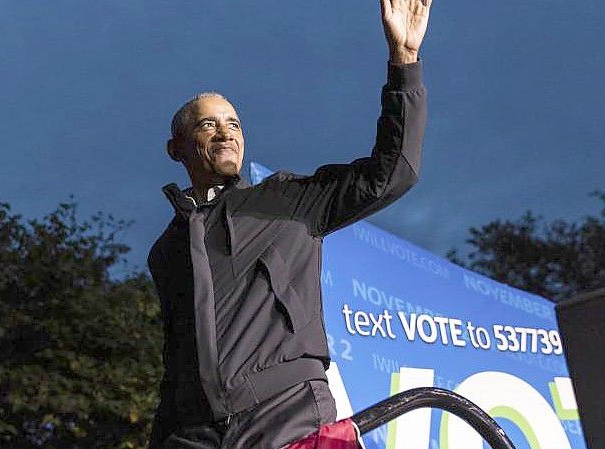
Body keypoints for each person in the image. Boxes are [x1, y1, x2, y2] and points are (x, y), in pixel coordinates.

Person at [147, 1, 432, 448]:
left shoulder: (287, 199)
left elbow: (393, 171)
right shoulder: (166, 250)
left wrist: (404, 63)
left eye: (234, 123)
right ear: (176, 148)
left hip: (284, 414)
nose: (227, 133)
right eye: (209, 124)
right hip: (195, 434)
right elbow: (175, 355)